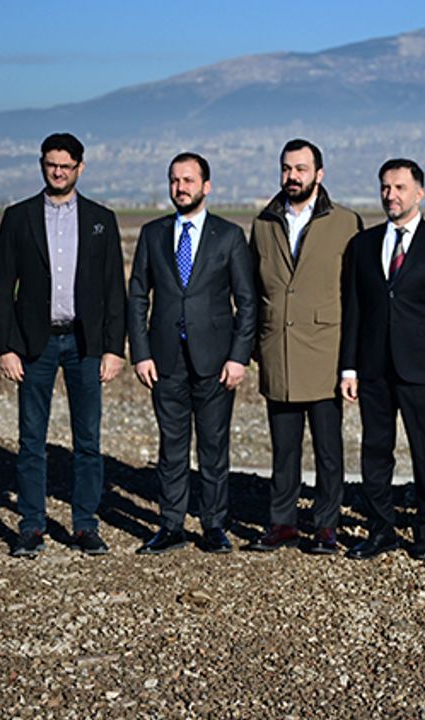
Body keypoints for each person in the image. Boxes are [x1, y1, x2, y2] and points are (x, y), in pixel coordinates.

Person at [0, 132, 126, 558]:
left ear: (80, 168)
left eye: (66, 166)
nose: (58, 172)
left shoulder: (101, 219)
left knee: (88, 439)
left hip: (86, 344)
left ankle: (85, 525)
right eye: (51, 165)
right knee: (31, 439)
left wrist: (114, 348)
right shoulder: (18, 217)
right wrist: (5, 346)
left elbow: (114, 289)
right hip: (35, 344)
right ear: (42, 165)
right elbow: (1, 287)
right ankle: (31, 526)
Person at [128, 152, 257, 555]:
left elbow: (247, 301)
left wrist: (238, 356)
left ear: (206, 186)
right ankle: (171, 525)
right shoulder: (152, 233)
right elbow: (137, 296)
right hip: (164, 358)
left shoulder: (229, 235)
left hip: (216, 361)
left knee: (214, 447)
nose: (180, 188)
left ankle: (214, 525)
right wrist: (141, 353)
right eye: (174, 180)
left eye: (187, 180)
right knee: (171, 447)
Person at [339, 159, 425, 562]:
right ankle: (381, 531)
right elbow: (353, 310)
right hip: (373, 368)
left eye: (399, 188)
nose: (390, 195)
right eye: (385, 188)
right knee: (375, 452)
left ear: (419, 193)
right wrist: (348, 367)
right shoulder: (362, 245)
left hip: (422, 370)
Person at [248, 139, 362, 553]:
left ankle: (326, 525)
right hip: (278, 350)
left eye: (300, 169)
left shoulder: (345, 222)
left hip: (327, 352)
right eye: (286, 168)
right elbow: (253, 288)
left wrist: (352, 361)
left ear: (319, 173)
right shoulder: (263, 223)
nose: (292, 176)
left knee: (328, 450)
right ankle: (282, 523)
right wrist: (255, 345)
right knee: (283, 448)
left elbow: (355, 295)